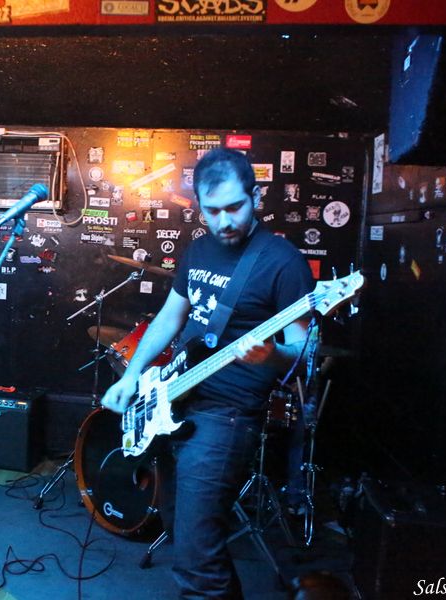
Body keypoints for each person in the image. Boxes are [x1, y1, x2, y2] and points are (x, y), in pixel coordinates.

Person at [101, 148, 314, 599]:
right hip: (176, 399)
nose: (224, 221)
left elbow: (304, 353)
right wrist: (131, 375)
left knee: (196, 558)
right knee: (182, 531)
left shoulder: (282, 261)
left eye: (235, 207)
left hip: (228, 414)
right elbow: (170, 317)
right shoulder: (199, 249)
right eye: (212, 211)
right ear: (199, 204)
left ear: (255, 197)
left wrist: (271, 354)